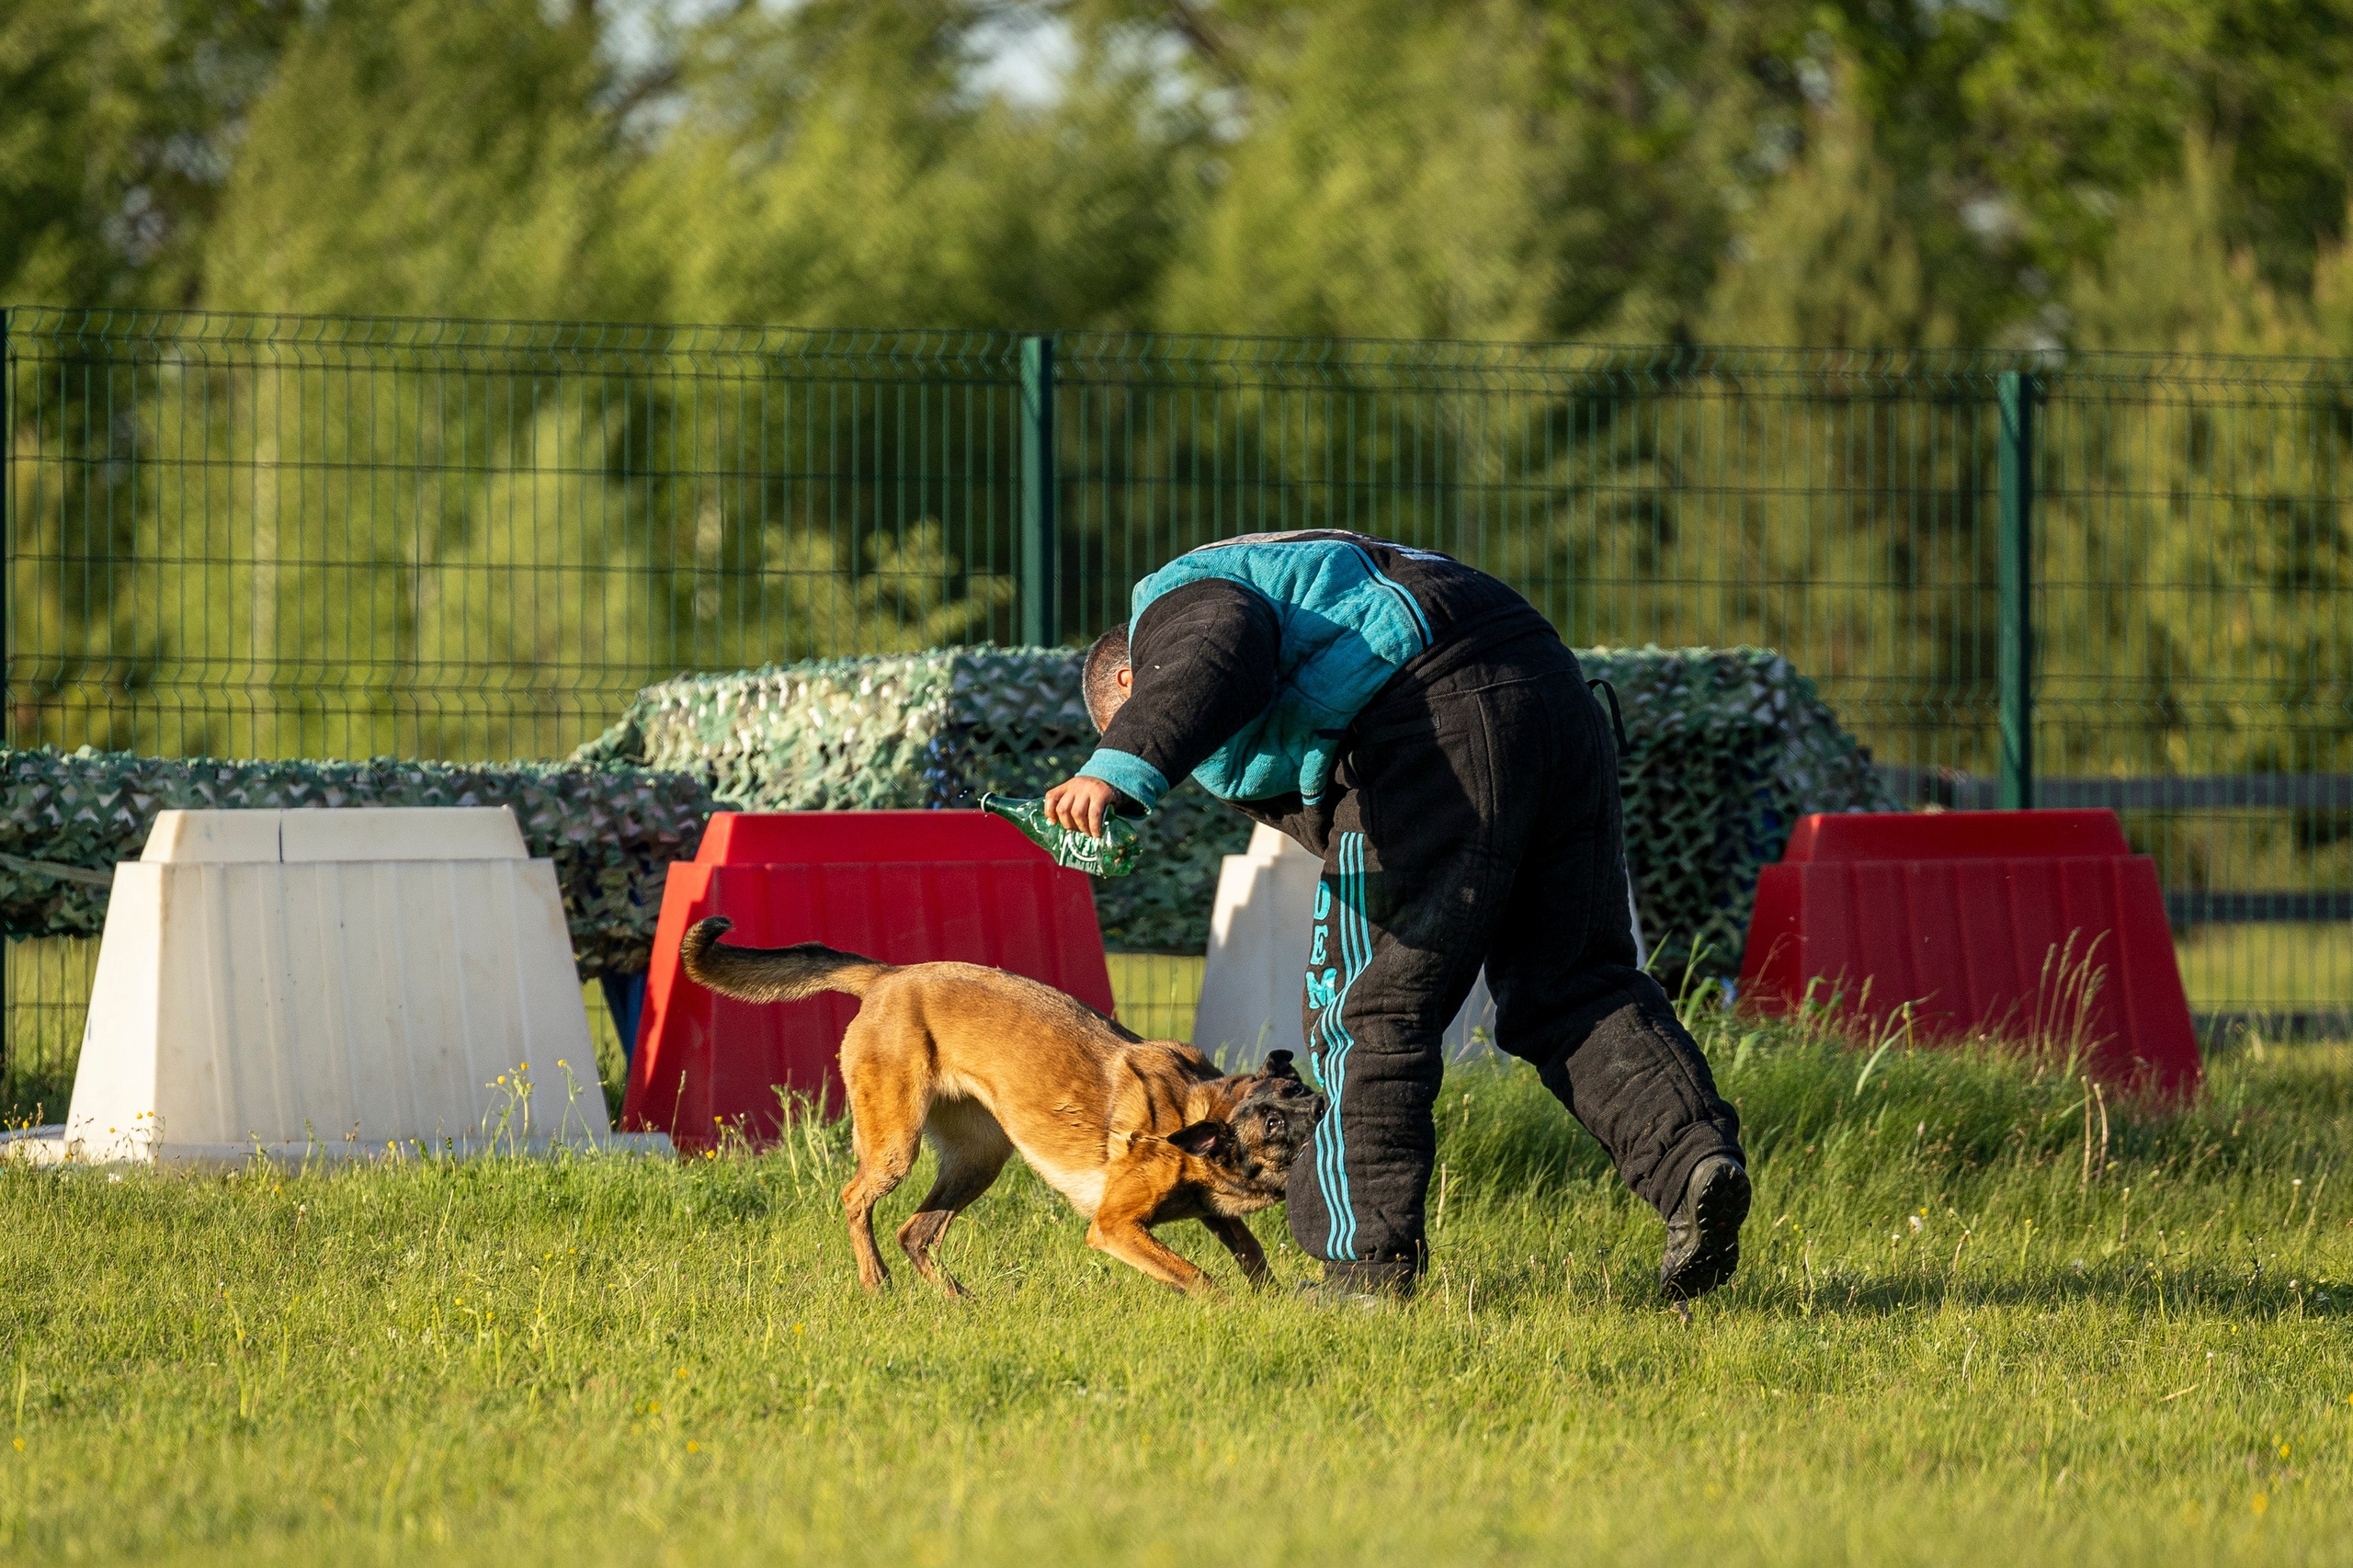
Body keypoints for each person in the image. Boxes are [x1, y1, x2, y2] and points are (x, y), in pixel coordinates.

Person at [1041, 529, 1748, 1301]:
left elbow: (1218, 641)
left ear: (1131, 676)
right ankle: (1694, 1167)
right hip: (1553, 700)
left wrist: (1119, 764)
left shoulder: (1173, 601)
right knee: (1576, 984)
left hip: (1429, 719)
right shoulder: (1305, 587)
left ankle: (1362, 1268)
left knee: (1367, 1009)